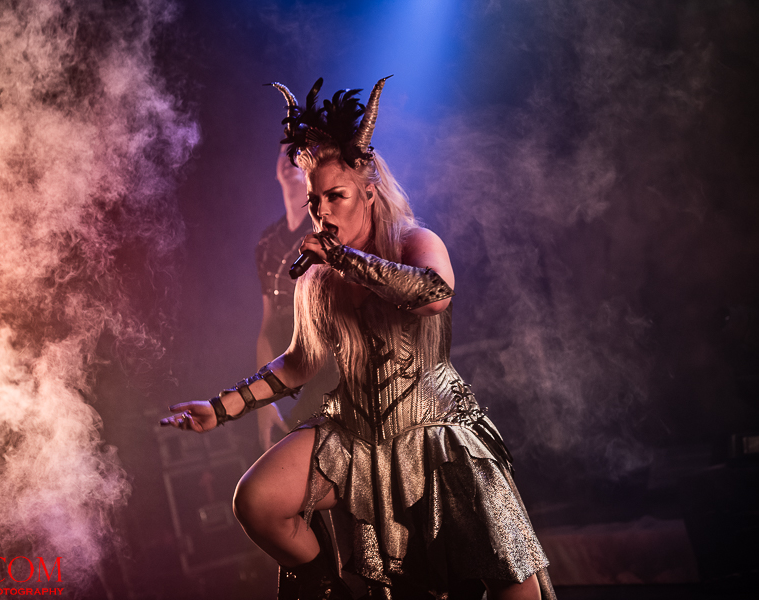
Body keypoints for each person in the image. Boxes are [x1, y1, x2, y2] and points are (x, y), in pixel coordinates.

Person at [163, 77, 556, 600]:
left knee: (514, 585)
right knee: (256, 500)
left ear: (368, 192)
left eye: (336, 196)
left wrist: (343, 258)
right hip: (355, 435)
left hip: (437, 430)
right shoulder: (316, 279)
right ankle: (330, 591)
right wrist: (221, 408)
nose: (321, 211)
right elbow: (299, 364)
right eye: (314, 200)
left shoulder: (414, 240)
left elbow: (434, 293)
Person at [254, 149, 336, 450]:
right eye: (283, 153)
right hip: (285, 372)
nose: (290, 159)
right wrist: (262, 403)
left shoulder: (326, 229)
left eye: (298, 153)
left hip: (329, 369)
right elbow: (266, 327)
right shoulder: (266, 242)